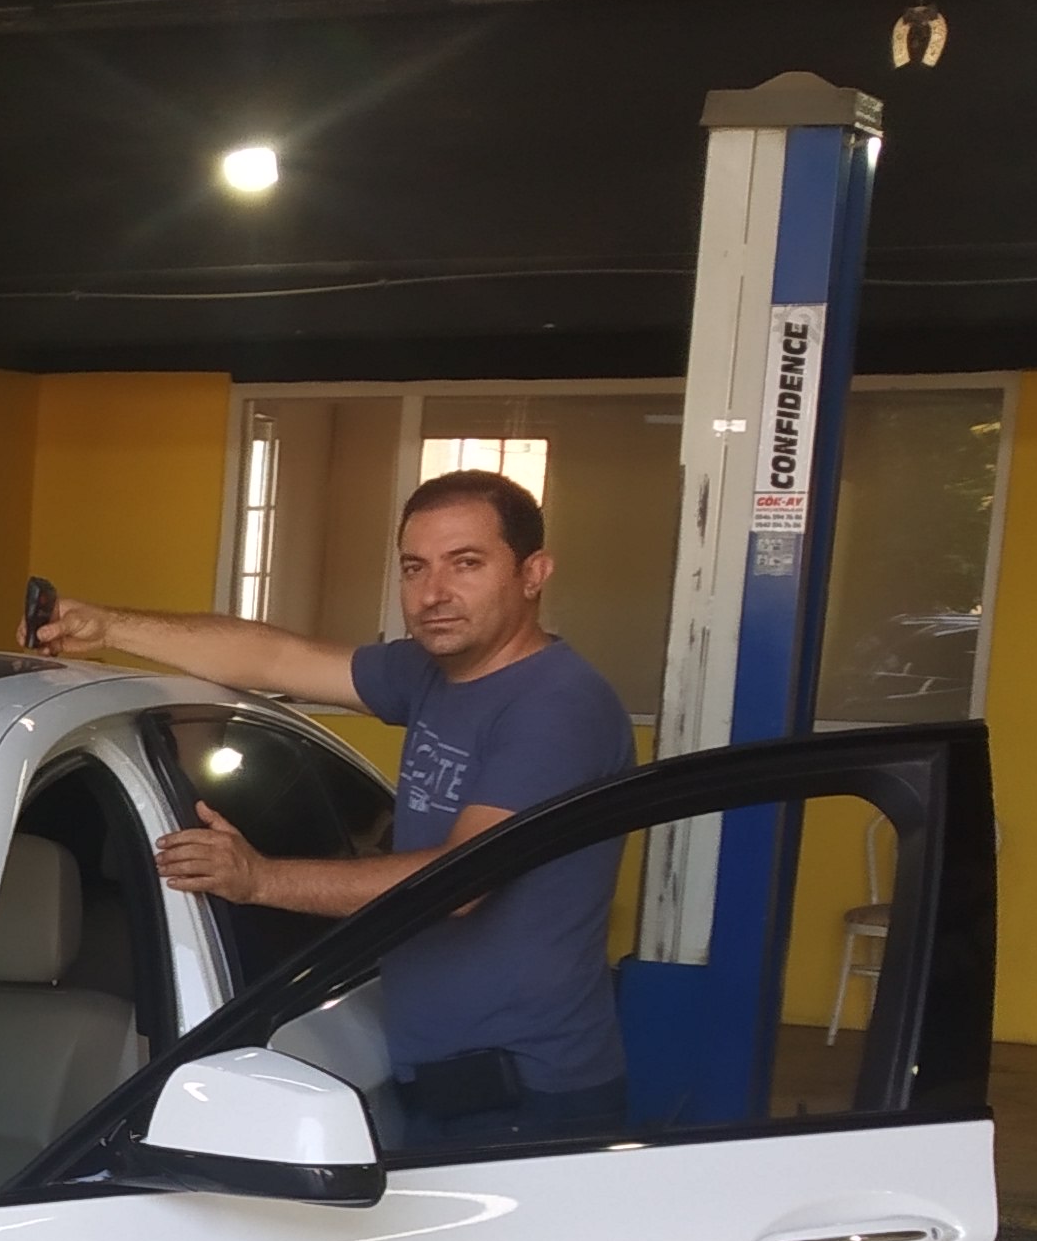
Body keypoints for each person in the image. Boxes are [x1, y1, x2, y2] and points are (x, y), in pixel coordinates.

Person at [39, 467, 637, 1147]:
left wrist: (260, 879)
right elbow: (275, 659)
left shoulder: (557, 707)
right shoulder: (432, 674)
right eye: (414, 568)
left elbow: (460, 882)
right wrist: (106, 625)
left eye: (466, 563)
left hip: (528, 1095)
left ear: (533, 573)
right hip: (446, 1076)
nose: (433, 593)